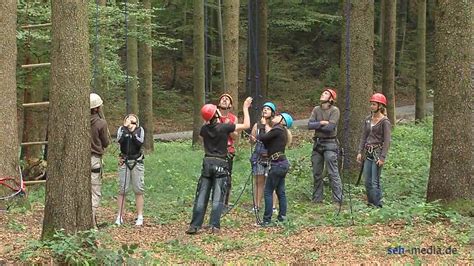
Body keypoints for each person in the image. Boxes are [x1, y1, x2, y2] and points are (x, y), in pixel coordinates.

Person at [186, 97, 253, 235]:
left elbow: (206, 134)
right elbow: (246, 125)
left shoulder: (204, 129)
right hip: (221, 163)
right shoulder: (224, 127)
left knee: (202, 194)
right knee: (218, 195)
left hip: (207, 162)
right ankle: (214, 226)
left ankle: (195, 225)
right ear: (216, 115)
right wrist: (245, 108)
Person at [308, 87, 343, 204]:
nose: (323, 94)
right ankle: (317, 199)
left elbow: (330, 128)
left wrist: (318, 125)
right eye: (323, 92)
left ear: (331, 99)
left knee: (333, 172)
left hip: (330, 143)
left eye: (326, 93)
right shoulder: (316, 109)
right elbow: (309, 125)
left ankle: (337, 199)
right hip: (317, 143)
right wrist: (322, 123)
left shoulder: (335, 110)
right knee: (317, 173)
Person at [257, 112, 293, 226]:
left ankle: (266, 220)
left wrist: (262, 126)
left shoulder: (277, 130)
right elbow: (268, 143)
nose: (275, 116)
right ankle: (282, 217)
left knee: (268, 191)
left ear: (282, 121)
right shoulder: (281, 132)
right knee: (280, 192)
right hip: (282, 164)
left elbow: (262, 138)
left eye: (278, 116)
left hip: (277, 165)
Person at [356, 93, 391, 208]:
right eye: (371, 104)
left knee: (375, 182)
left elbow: (387, 141)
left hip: (377, 153)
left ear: (380, 106)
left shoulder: (385, 122)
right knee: (367, 181)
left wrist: (382, 157)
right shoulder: (367, 120)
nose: (371, 106)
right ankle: (370, 203)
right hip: (368, 153)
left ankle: (377, 205)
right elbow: (363, 137)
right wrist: (360, 151)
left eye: (374, 104)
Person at [115, 114, 146, 226]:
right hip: (124, 161)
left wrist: (132, 132)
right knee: (122, 189)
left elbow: (140, 142)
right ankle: (119, 216)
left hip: (136, 161)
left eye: (133, 122)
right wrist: (126, 130)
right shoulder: (121, 130)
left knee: (138, 189)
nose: (131, 124)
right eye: (129, 121)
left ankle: (140, 216)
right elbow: (120, 140)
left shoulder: (140, 130)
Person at [250, 102, 278, 212]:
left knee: (272, 182)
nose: (265, 110)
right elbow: (252, 141)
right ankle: (256, 205)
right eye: (264, 109)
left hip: (271, 157)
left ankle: (273, 206)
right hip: (258, 156)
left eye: (268, 109)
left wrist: (265, 125)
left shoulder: (275, 126)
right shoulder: (257, 125)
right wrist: (252, 139)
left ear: (272, 113)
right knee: (258, 182)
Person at [90, 93, 110, 227]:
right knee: (95, 193)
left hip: (81, 161)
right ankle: (91, 224)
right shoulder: (101, 123)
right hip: (94, 160)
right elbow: (106, 142)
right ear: (97, 108)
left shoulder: (78, 121)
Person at [217, 93, 238, 210]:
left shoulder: (233, 118)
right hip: (215, 151)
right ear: (219, 103)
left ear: (230, 105)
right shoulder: (213, 115)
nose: (224, 100)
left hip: (228, 150)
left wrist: (228, 126)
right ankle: (216, 200)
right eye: (222, 99)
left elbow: (235, 136)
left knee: (227, 176)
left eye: (227, 99)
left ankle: (225, 202)